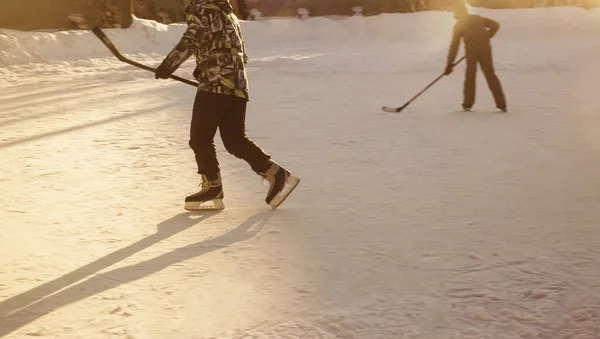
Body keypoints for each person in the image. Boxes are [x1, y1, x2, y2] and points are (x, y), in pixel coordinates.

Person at [154, 0, 299, 210]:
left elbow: (192, 39)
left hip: (216, 83)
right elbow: (224, 46)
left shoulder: (203, 8)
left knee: (200, 138)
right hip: (238, 85)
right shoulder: (226, 11)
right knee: (234, 140)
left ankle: (213, 186)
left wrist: (168, 65)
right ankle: (276, 174)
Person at [444, 5, 507, 112]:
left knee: (470, 76)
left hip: (472, 52)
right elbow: (495, 25)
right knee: (490, 74)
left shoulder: (458, 25)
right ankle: (502, 104)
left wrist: (449, 64)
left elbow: (454, 45)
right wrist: (488, 34)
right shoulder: (478, 18)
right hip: (485, 49)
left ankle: (468, 104)